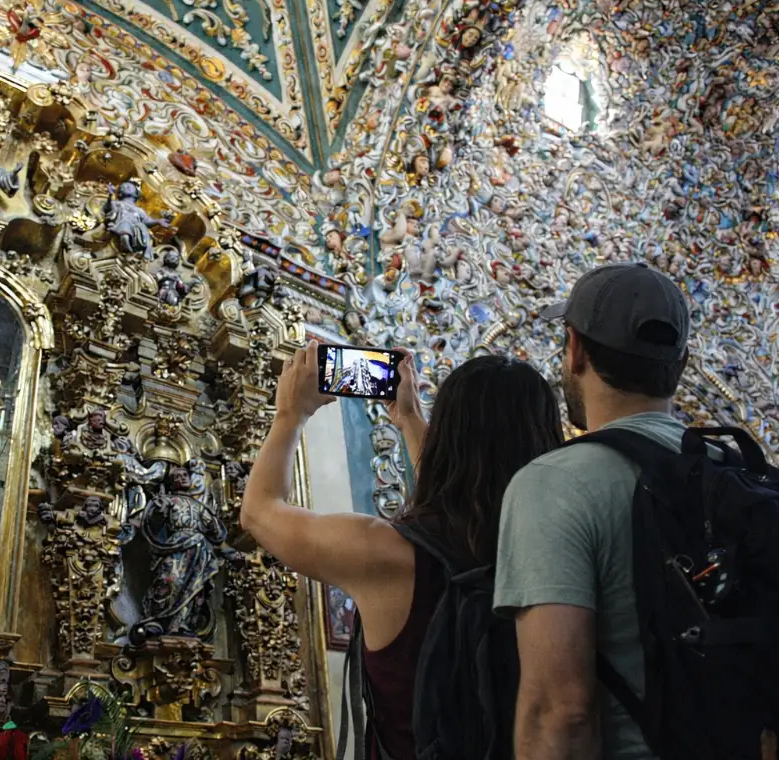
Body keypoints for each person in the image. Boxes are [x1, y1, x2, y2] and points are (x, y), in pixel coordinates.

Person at [241, 342, 564, 760]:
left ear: (447, 437)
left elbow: (260, 512)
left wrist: (291, 413)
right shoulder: (557, 555)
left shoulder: (386, 555)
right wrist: (409, 418)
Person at [493, 262, 690, 760]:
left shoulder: (556, 484)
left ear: (575, 349)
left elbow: (562, 712)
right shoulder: (741, 470)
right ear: (681, 364)